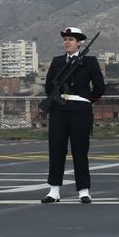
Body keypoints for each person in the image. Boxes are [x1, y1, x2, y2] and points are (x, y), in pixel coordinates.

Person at [41, 27, 105, 204]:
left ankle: (83, 191)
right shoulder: (58, 61)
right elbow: (48, 86)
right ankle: (54, 190)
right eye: (65, 39)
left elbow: (99, 86)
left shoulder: (89, 61)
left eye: (70, 39)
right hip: (59, 110)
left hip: (80, 110)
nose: (67, 42)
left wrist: (86, 100)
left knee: (80, 150)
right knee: (56, 150)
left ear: (79, 43)